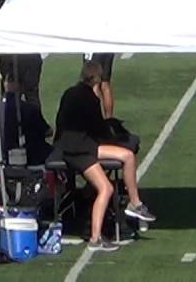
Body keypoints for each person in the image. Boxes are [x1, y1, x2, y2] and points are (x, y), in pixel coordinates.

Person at [53, 61, 156, 251]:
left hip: (73, 146)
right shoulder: (91, 100)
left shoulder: (69, 93)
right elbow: (98, 129)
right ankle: (98, 235)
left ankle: (134, 204)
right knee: (106, 188)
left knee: (125, 157)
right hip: (80, 150)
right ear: (96, 79)